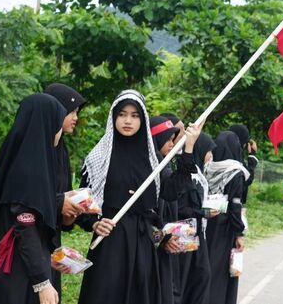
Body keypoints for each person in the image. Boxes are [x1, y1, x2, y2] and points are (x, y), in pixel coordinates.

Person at [75, 90, 164, 304]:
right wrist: (94, 224)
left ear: (142, 120)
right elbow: (82, 201)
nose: (127, 121)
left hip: (142, 242)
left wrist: (188, 147)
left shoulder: (154, 159)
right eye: (122, 114)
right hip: (110, 240)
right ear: (113, 117)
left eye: (135, 116)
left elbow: (169, 193)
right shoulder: (98, 157)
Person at [0, 93, 67, 304]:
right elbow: (25, 229)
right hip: (18, 274)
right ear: (47, 124)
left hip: (21, 267)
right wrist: (42, 281)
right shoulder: (29, 171)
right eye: (58, 123)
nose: (60, 131)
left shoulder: (24, 163)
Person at [149, 115, 201, 304]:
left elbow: (176, 188)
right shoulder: (150, 168)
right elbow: (146, 217)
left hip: (165, 243)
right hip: (152, 246)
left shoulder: (164, 165)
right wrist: (161, 238)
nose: (172, 144)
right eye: (169, 139)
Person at [44, 83, 87, 301]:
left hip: (52, 241)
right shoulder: (38, 149)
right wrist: (61, 201)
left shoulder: (62, 149)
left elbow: (62, 196)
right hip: (30, 240)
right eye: (71, 111)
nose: (75, 117)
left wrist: (70, 215)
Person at [205, 131, 250, 304]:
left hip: (207, 221)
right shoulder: (236, 171)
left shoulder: (208, 167)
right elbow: (235, 206)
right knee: (222, 269)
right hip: (224, 227)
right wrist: (239, 233)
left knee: (208, 265)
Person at [177, 133, 219, 304]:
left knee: (201, 276)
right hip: (185, 233)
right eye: (210, 151)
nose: (211, 156)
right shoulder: (186, 174)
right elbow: (180, 208)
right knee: (188, 279)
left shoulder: (198, 172)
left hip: (197, 232)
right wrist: (204, 213)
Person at [228, 125, 258, 204]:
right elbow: (247, 178)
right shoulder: (236, 158)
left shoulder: (221, 151)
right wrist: (252, 154)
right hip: (232, 205)